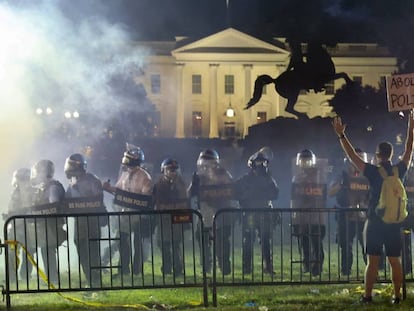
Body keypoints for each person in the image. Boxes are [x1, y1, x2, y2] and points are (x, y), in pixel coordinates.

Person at [332, 111, 414, 304]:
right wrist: (411, 124)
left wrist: (341, 135)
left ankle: (367, 296)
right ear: (391, 154)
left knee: (373, 262)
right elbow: (410, 146)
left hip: (376, 222)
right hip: (395, 223)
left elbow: (352, 156)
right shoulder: (400, 170)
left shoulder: (373, 172)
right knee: (395, 261)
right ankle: (397, 296)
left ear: (377, 156)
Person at [103, 143, 153, 277]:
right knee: (123, 242)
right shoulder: (125, 174)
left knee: (138, 244)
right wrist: (109, 188)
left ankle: (137, 271)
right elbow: (118, 191)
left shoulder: (144, 177)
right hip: (124, 213)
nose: (126, 163)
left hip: (138, 215)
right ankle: (123, 270)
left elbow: (146, 197)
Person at [188, 149, 236, 275]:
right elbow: (189, 194)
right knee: (203, 240)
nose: (207, 166)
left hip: (221, 212)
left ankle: (224, 267)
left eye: (210, 163)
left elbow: (231, 190)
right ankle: (206, 268)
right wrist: (193, 184)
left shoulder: (223, 174)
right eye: (205, 163)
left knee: (222, 241)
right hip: (204, 214)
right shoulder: (198, 177)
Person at [64, 153, 107, 289]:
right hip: (79, 223)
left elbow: (97, 200)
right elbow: (67, 200)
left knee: (93, 252)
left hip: (92, 222)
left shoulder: (92, 180)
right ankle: (90, 280)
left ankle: (96, 282)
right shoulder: (73, 182)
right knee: (82, 252)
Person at [234, 147, 279, 275]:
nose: (261, 166)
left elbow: (275, 194)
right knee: (248, 240)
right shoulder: (245, 180)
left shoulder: (268, 179)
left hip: (265, 212)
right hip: (249, 213)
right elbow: (235, 192)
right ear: (252, 165)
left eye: (263, 163)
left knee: (266, 240)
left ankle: (268, 267)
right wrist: (247, 196)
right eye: (258, 163)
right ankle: (247, 268)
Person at [328, 149, 369, 276]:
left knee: (367, 246)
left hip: (364, 216)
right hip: (346, 216)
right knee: (346, 245)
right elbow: (330, 192)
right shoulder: (342, 175)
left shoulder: (368, 176)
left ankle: (372, 270)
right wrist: (341, 184)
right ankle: (346, 270)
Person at [291, 149, 328, 276]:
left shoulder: (319, 176)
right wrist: (294, 217)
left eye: (307, 161)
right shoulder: (296, 178)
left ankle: (317, 265)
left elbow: (322, 196)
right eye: (303, 161)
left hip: (316, 215)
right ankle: (306, 264)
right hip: (302, 215)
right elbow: (294, 199)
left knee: (316, 241)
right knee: (304, 241)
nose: (305, 164)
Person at [30, 159, 66, 285]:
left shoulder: (53, 187)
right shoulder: (46, 186)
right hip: (46, 224)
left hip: (50, 225)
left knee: (48, 250)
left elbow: (53, 205)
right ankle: (51, 277)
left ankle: (53, 279)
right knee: (45, 250)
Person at [153, 158, 190, 276]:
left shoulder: (181, 184)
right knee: (163, 245)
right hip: (164, 220)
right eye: (169, 170)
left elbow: (184, 203)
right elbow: (159, 204)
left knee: (176, 245)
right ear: (163, 170)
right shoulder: (159, 185)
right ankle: (167, 269)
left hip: (176, 220)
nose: (172, 172)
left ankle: (178, 270)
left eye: (174, 170)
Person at [5, 168, 34, 283]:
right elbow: (11, 208)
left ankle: (25, 275)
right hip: (14, 227)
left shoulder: (32, 192)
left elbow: (32, 208)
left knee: (29, 252)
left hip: (28, 227)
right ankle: (12, 277)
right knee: (12, 253)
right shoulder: (14, 192)